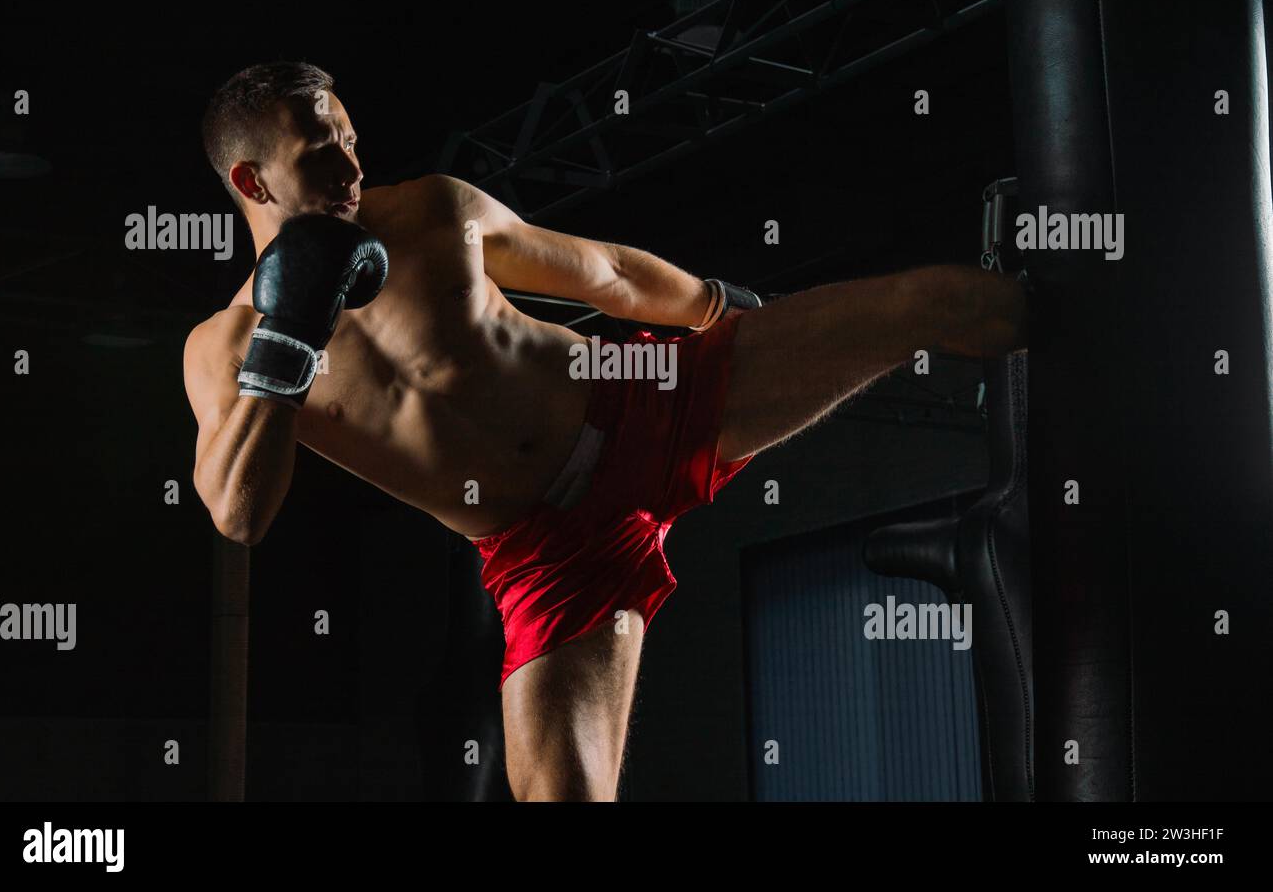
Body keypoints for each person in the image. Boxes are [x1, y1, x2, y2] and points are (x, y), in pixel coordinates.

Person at [185, 61, 1029, 801]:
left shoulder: (435, 213)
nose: (352, 166)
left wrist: (720, 311)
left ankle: (1100, 323)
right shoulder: (223, 346)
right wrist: (284, 336)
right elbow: (237, 512)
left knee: (931, 303)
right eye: (319, 152)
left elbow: (608, 274)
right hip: (551, 557)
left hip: (648, 404)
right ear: (252, 182)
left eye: (351, 139)